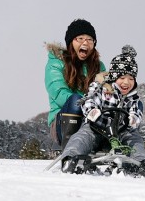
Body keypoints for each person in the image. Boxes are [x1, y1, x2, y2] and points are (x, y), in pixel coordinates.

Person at [61, 45, 145, 173]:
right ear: (113, 77)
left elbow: (135, 111)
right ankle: (71, 158)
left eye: (131, 79)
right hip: (96, 127)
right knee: (82, 137)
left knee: (134, 139)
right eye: (122, 78)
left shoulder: (132, 97)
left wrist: (133, 119)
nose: (126, 82)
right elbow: (88, 100)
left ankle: (139, 162)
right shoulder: (102, 88)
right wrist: (93, 112)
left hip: (120, 131)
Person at [45, 19, 106, 150]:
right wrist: (88, 105)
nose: (85, 43)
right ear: (71, 42)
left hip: (92, 119)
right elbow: (59, 93)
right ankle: (71, 150)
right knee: (75, 100)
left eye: (90, 40)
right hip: (63, 121)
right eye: (80, 38)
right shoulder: (56, 63)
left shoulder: (98, 66)